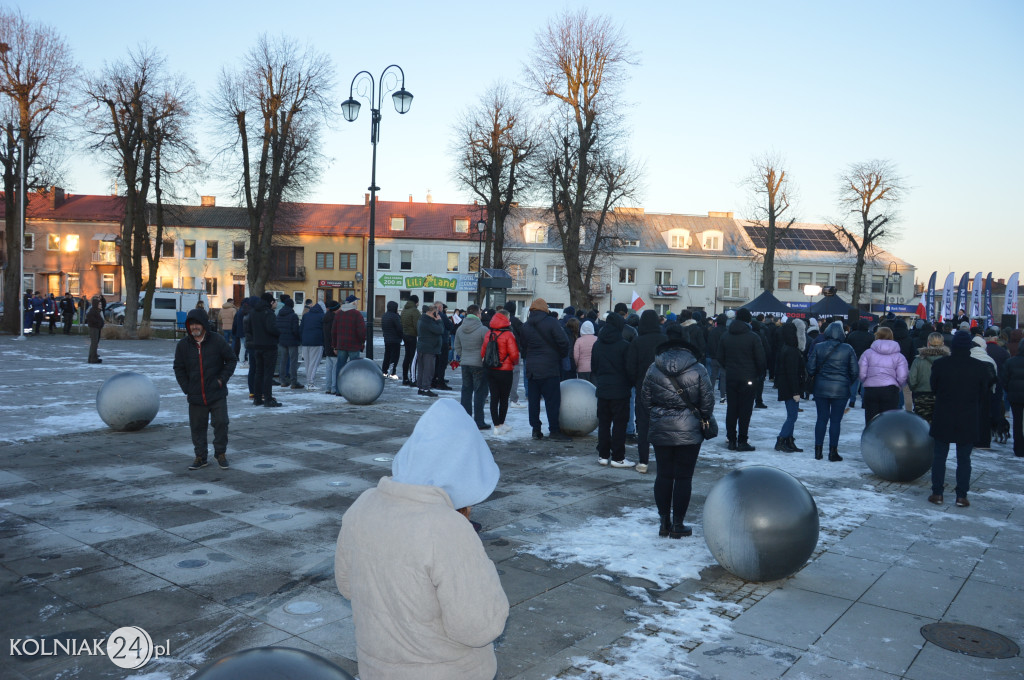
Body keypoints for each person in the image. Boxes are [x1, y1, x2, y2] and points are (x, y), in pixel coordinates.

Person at [335, 399, 509, 680]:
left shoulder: (363, 505)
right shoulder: (447, 529)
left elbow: (347, 586)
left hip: (376, 669)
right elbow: (478, 627)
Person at [640, 332, 714, 539]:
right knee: (683, 476)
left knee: (663, 474)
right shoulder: (698, 369)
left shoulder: (653, 368)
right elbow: (707, 401)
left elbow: (645, 400)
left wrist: (658, 414)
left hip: (661, 426)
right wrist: (702, 417)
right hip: (689, 428)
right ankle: (678, 524)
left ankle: (664, 522)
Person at [929, 331, 994, 506]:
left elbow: (933, 387)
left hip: (944, 414)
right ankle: (961, 495)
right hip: (967, 416)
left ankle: (937, 493)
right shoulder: (979, 367)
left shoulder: (940, 364)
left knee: (939, 456)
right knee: (964, 459)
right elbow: (983, 392)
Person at [174, 308, 237, 471]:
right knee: (197, 427)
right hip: (195, 395)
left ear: (203, 325)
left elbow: (231, 360)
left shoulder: (217, 340)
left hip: (216, 393)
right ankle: (200, 457)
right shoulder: (183, 345)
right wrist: (186, 388)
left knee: (221, 423)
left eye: (197, 324)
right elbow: (178, 368)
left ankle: (220, 454)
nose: (194, 327)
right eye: (191, 324)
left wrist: (221, 380)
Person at [806, 321, 859, 461]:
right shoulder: (848, 348)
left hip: (821, 388)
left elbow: (810, 368)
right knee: (836, 421)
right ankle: (833, 452)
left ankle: (818, 451)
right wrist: (847, 382)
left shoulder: (818, 347)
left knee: (821, 419)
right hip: (841, 390)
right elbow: (855, 371)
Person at [520, 298, 571, 441]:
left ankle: (536, 430)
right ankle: (554, 430)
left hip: (532, 369)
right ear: (545, 309)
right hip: (549, 367)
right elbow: (564, 342)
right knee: (552, 401)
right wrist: (560, 355)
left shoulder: (526, 326)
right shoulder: (552, 322)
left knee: (534, 401)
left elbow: (523, 346)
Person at [625, 310, 668, 473]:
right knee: (662, 426)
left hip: (643, 388)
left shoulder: (637, 341)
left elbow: (631, 367)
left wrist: (635, 382)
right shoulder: (664, 340)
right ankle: (663, 461)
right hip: (662, 389)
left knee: (643, 425)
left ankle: (643, 462)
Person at [717, 308, 765, 452]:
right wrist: (758, 374)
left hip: (731, 377)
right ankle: (742, 440)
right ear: (749, 320)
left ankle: (731, 439)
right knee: (745, 410)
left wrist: (729, 368)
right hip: (748, 378)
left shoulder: (726, 336)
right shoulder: (753, 337)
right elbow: (761, 359)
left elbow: (720, 357)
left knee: (732, 408)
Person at [592, 313, 634, 468]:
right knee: (619, 424)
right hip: (620, 390)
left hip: (603, 388)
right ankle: (618, 457)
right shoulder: (624, 345)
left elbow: (594, 367)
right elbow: (629, 369)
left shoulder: (597, 344)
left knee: (603, 423)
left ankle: (603, 455)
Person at [858, 326, 909, 424]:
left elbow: (861, 373)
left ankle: (871, 438)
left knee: (871, 421)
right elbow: (903, 376)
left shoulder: (867, 353)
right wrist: (898, 386)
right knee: (888, 422)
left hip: (871, 390)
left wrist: (867, 381)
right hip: (890, 390)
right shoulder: (899, 356)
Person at [481, 308, 520, 436]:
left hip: (490, 369)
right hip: (505, 370)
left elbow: (483, 352)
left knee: (494, 397)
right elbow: (514, 354)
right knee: (504, 398)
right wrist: (513, 363)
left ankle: (496, 425)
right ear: (506, 319)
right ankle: (501, 424)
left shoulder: (489, 333)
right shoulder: (509, 335)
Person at [454, 304, 490, 429]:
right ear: (477, 314)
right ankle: (479, 421)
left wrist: (463, 356)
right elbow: (487, 347)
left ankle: (466, 420)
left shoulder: (460, 329)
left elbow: (457, 347)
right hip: (479, 364)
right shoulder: (483, 329)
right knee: (480, 392)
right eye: (480, 312)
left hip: (465, 363)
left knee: (466, 391)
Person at [774, 322, 806, 453]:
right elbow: (792, 373)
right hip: (790, 388)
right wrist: (795, 391)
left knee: (792, 415)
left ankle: (789, 440)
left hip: (787, 386)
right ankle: (782, 439)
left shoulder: (786, 348)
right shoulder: (792, 351)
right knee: (792, 416)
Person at [247, 292, 282, 407]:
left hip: (257, 346)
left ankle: (257, 398)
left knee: (259, 372)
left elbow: (250, 329)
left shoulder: (253, 312)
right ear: (271, 302)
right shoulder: (269, 313)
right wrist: (279, 332)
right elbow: (271, 328)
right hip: (269, 346)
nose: (275, 303)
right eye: (274, 301)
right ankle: (268, 398)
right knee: (268, 373)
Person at [907, 333, 949, 423]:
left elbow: (912, 380)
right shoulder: (948, 361)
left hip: (921, 397)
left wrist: (915, 389)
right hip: (942, 397)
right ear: (943, 344)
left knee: (922, 426)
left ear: (928, 343)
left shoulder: (918, 360)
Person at [333, 294, 367, 387]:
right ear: (354, 303)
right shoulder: (357, 314)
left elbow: (334, 331)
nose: (357, 303)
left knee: (340, 367)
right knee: (354, 368)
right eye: (356, 301)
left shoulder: (338, 313)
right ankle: (353, 388)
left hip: (341, 345)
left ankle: (338, 388)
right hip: (354, 345)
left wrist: (335, 345)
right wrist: (362, 342)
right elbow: (361, 331)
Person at [1000, 340, 1024, 457]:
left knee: (1017, 422)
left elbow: (1004, 380)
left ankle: (1019, 448)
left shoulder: (1011, 362)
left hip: (1015, 396)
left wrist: (1010, 390)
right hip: (1015, 394)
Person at [844, 320, 874, 409]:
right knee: (865, 382)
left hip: (854, 360)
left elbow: (846, 347)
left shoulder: (852, 335)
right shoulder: (871, 336)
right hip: (866, 361)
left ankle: (852, 400)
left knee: (854, 381)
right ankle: (864, 402)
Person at [275, 295, 302, 389]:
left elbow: (277, 327)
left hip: (282, 340)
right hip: (292, 341)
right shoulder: (293, 316)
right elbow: (295, 330)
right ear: (292, 306)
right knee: (293, 361)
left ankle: (282, 380)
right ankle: (293, 382)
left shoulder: (279, 314)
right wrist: (299, 338)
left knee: (283, 360)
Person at [416, 303, 443, 397]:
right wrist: (439, 321)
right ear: (433, 312)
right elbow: (440, 330)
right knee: (428, 370)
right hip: (429, 348)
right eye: (437, 312)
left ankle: (421, 388)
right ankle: (426, 388)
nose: (438, 314)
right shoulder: (428, 321)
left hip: (423, 347)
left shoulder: (423, 319)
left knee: (422, 369)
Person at [299, 300, 325, 390]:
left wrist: (302, 339)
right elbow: (324, 330)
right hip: (317, 342)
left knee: (307, 363)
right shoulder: (322, 316)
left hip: (305, 342)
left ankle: (308, 381)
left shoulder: (306, 316)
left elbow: (301, 329)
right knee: (314, 363)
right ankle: (310, 383)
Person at [321, 300, 341, 395]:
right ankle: (334, 388)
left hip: (327, 346)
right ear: (335, 309)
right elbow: (335, 334)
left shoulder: (326, 318)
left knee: (329, 368)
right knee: (335, 369)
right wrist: (336, 347)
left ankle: (327, 388)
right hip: (333, 347)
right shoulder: (334, 319)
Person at [400, 295, 421, 386]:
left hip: (405, 335)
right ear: (416, 302)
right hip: (413, 336)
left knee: (407, 356)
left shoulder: (404, 310)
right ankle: (413, 379)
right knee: (413, 359)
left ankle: (405, 378)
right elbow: (418, 325)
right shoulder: (415, 311)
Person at [380, 300, 403, 379]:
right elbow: (399, 328)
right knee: (394, 357)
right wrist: (401, 336)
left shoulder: (384, 315)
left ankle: (384, 371)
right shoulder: (395, 316)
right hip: (395, 340)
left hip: (387, 339)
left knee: (387, 356)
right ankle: (392, 373)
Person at [85, 295, 104, 363]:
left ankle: (93, 357)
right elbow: (90, 319)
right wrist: (98, 323)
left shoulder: (97, 311)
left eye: (101, 304)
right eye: (99, 304)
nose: (100, 305)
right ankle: (92, 358)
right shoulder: (93, 311)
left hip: (97, 328)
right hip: (94, 328)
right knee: (94, 343)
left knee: (95, 344)